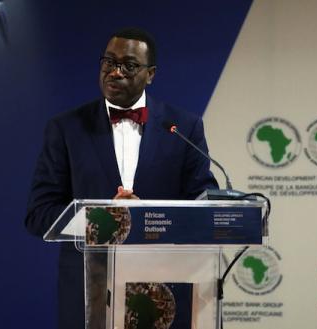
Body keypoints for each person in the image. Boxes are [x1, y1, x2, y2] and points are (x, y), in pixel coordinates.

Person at [25, 27, 218, 328]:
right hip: (91, 294)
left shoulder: (183, 128)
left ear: (150, 74)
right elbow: (39, 214)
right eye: (108, 62)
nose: (115, 72)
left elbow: (202, 206)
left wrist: (147, 217)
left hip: (162, 290)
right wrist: (104, 220)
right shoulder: (66, 129)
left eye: (129, 65)